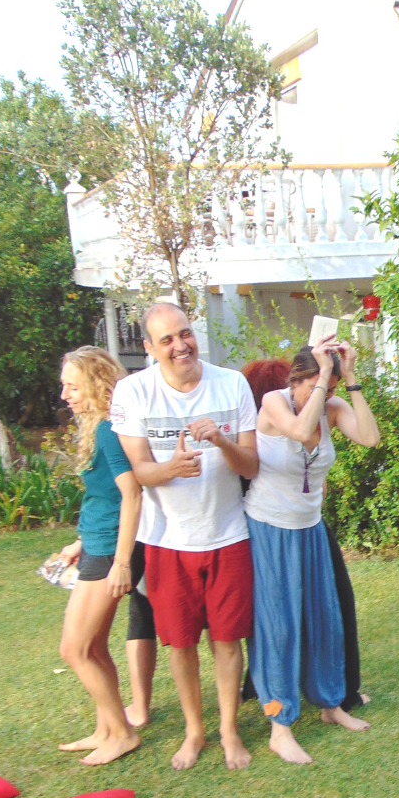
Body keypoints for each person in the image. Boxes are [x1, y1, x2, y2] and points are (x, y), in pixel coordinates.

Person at [111, 302, 259, 771]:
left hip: (228, 534)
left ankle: (229, 730)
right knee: (179, 643)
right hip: (167, 541)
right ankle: (195, 732)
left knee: (228, 640)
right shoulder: (133, 391)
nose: (181, 346)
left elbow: (251, 466)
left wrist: (221, 440)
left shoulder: (231, 383)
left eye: (185, 333)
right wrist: (171, 468)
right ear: (150, 348)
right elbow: (140, 471)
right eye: (167, 340)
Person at [244, 338, 380, 764]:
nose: (325, 395)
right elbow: (301, 431)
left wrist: (350, 378)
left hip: (310, 528)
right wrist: (323, 376)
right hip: (269, 529)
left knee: (325, 620)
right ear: (297, 379)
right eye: (318, 385)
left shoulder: (332, 407)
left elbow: (371, 438)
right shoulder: (274, 403)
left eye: (331, 388)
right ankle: (278, 725)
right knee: (278, 629)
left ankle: (330, 704)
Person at [55, 346, 152, 765]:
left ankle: (123, 734)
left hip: (112, 550)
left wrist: (122, 563)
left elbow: (133, 494)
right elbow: (104, 495)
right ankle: (106, 729)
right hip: (96, 544)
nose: (65, 395)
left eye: (73, 387)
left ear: (97, 385)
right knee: (92, 646)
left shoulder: (111, 430)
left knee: (74, 650)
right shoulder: (96, 426)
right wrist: (79, 542)